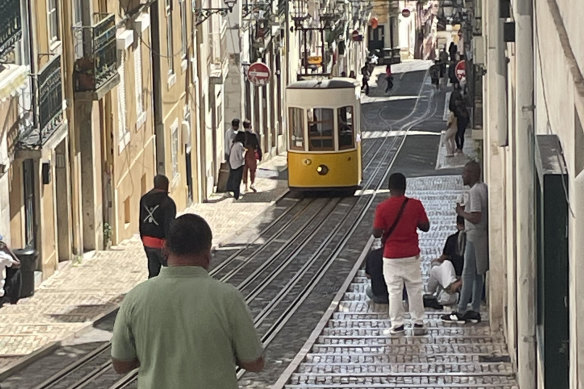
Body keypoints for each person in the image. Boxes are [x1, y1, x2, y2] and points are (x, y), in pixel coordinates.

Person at [111, 214, 264, 388]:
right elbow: (254, 362)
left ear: (165, 249)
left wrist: (153, 355)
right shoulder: (228, 298)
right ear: (208, 253)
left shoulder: (135, 298)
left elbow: (120, 364)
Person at [373, 173, 430, 335]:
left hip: (391, 256)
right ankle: (418, 323)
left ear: (389, 188)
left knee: (394, 291)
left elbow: (376, 233)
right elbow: (426, 226)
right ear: (405, 187)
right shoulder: (416, 205)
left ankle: (397, 325)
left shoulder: (382, 208)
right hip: (411, 254)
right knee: (415, 288)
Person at [442, 161, 488, 324]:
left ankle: (461, 311)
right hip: (481, 236)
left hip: (474, 237)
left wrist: (461, 211)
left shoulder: (475, 192)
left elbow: (476, 216)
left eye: (465, 173)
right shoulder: (483, 187)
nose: (462, 176)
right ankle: (474, 309)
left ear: (472, 174)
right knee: (477, 274)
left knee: (468, 273)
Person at [139, 175, 177, 278]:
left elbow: (141, 220)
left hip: (147, 241)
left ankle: (153, 291)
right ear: (166, 186)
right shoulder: (168, 203)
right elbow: (169, 225)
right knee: (169, 274)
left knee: (153, 272)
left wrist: (143, 238)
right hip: (162, 243)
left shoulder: (144, 199)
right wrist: (169, 243)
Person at [426, 216, 466, 307]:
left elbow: (443, 257)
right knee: (440, 266)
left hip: (459, 276)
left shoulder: (452, 239)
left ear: (458, 225)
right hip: (455, 276)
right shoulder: (468, 240)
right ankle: (450, 287)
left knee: (439, 266)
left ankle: (430, 293)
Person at [0, 237, 21, 307]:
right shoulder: (3, 256)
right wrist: (8, 250)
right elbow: (17, 263)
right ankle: (13, 297)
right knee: (16, 272)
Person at [242, 119, 262, 193]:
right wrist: (260, 155)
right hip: (251, 153)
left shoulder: (242, 134)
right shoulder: (253, 135)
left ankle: (245, 186)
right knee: (252, 169)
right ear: (250, 125)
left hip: (244, 153)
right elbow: (257, 145)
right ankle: (252, 183)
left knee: (245, 169)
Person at [226, 131, 246, 200]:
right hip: (238, 164)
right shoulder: (240, 145)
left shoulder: (234, 144)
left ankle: (231, 191)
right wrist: (245, 152)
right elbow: (241, 157)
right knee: (237, 180)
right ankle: (236, 195)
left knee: (233, 178)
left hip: (232, 164)